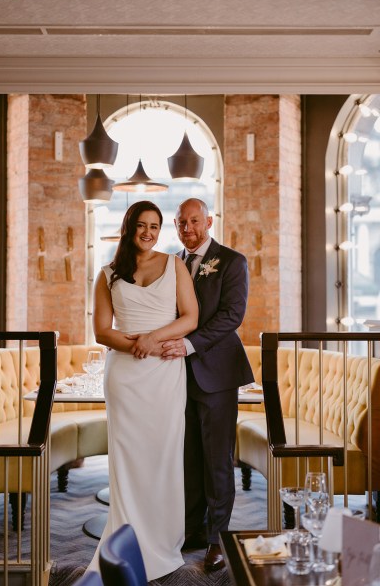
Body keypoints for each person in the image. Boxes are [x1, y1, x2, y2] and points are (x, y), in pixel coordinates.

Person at [86, 200, 198, 581]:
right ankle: (125, 538)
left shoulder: (175, 265)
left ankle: (163, 541)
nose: (149, 232)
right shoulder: (108, 274)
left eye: (155, 225)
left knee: (164, 454)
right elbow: (102, 331)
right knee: (128, 459)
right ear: (129, 227)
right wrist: (135, 345)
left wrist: (152, 339)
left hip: (165, 373)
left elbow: (190, 317)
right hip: (125, 377)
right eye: (142, 226)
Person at [161, 198, 254, 572]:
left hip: (216, 374)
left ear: (209, 221)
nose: (188, 228)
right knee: (189, 458)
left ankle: (218, 540)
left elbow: (233, 315)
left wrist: (189, 343)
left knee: (217, 460)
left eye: (194, 221)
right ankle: (193, 530)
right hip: (176, 376)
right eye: (182, 222)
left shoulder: (232, 261)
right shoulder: (171, 263)